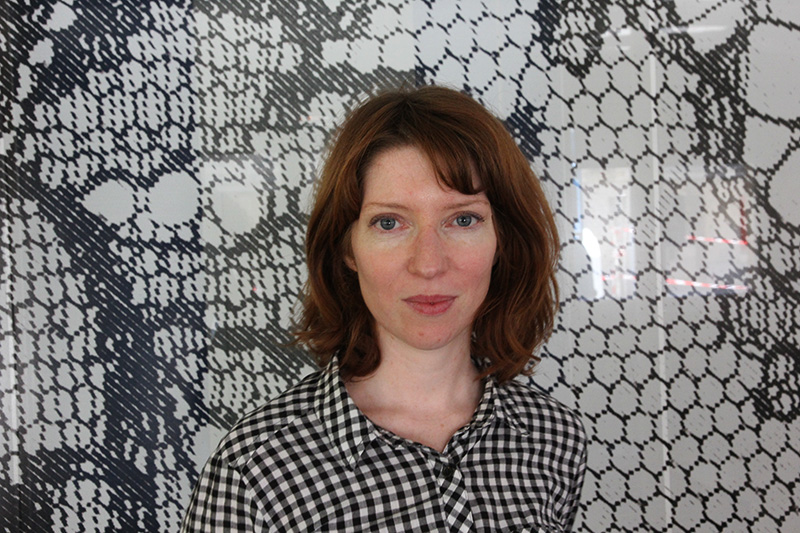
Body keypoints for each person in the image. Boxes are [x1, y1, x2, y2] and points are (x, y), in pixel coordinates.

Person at [182, 86, 587, 532]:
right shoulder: (255, 472)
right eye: (389, 223)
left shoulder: (552, 436)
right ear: (347, 248)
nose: (428, 264)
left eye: (463, 219)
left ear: (502, 241)